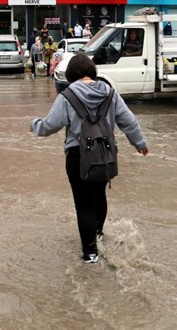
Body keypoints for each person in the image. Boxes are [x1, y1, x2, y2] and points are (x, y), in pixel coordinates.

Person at [30, 53, 149, 263]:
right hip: (105, 154)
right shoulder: (111, 94)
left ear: (71, 75)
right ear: (92, 71)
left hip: (78, 155)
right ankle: (98, 236)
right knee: (99, 194)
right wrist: (140, 144)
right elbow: (129, 122)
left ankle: (90, 254)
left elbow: (49, 126)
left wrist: (34, 125)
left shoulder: (67, 96)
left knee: (83, 203)